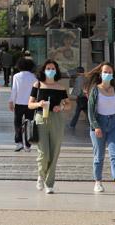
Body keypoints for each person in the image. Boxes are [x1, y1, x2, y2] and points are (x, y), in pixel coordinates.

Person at [86, 62, 115, 193]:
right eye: (105, 72)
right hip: (99, 123)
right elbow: (91, 110)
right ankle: (98, 181)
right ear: (100, 74)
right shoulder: (95, 90)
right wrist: (95, 126)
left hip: (114, 124)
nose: (107, 74)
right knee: (99, 156)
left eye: (110, 72)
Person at [29, 59, 69, 194]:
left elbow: (68, 104)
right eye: (48, 68)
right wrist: (39, 104)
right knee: (43, 152)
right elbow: (30, 104)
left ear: (56, 71)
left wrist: (61, 106)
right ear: (43, 70)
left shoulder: (61, 87)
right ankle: (41, 175)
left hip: (56, 119)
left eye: (53, 69)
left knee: (55, 151)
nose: (51, 71)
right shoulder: (38, 85)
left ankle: (49, 183)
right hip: (41, 117)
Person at [8, 57, 37, 152]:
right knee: (29, 123)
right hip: (30, 103)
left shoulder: (16, 76)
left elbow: (14, 90)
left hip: (19, 103)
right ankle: (28, 144)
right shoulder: (34, 77)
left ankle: (19, 142)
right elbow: (36, 91)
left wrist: (11, 101)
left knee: (17, 123)